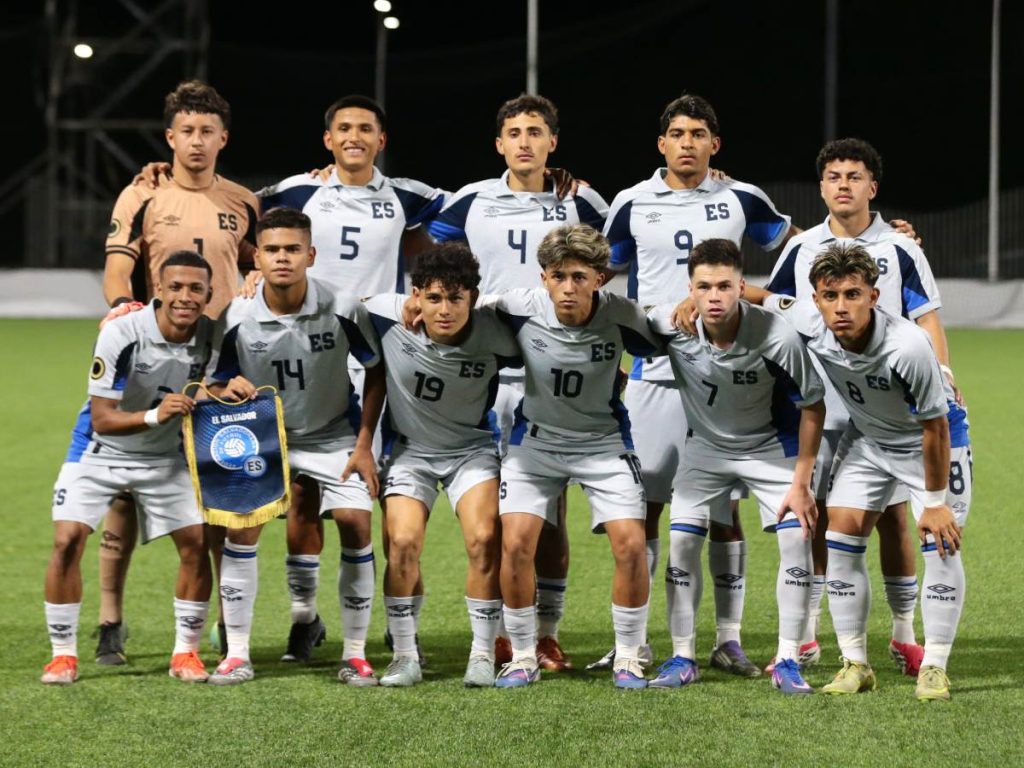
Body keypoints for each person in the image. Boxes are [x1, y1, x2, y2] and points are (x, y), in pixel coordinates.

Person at [597, 93, 794, 675]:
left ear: (715, 144)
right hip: (657, 372)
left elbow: (799, 245)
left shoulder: (741, 196)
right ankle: (637, 639)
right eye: (677, 133)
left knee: (725, 512)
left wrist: (865, 239)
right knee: (649, 507)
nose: (688, 142)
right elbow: (599, 269)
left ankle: (726, 639)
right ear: (662, 144)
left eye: (699, 133)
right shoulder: (631, 202)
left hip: (727, 371)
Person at [763, 138, 971, 676]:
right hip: (832, 404)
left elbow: (926, 317)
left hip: (897, 393)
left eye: (854, 176)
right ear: (822, 186)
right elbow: (774, 308)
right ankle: (809, 634)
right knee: (827, 520)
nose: (843, 185)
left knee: (900, 519)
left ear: (871, 187)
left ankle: (907, 636)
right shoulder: (802, 248)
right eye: (833, 176)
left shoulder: (901, 247)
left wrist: (942, 375)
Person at [427, 94, 609, 670]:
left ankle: (544, 634)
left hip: (549, 376)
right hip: (478, 375)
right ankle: (500, 633)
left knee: (548, 513)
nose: (525, 141)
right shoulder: (470, 201)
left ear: (553, 142)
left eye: (536, 131)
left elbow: (615, 257)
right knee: (489, 516)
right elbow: (425, 251)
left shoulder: (580, 200)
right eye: (514, 132)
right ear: (499, 143)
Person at [92, 80, 259, 665]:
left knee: (218, 492)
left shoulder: (244, 202)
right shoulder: (141, 194)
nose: (196, 142)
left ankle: (219, 622)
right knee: (122, 491)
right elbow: (118, 271)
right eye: (186, 131)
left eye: (207, 132)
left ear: (223, 139)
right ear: (170, 137)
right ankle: (110, 619)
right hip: (152, 355)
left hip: (221, 362)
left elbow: (256, 267)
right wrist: (125, 316)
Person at [204, 208, 384, 686]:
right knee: (241, 531)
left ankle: (355, 654)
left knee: (354, 522)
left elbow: (377, 372)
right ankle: (237, 654)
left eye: (291, 249)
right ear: (256, 258)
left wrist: (364, 444)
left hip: (333, 435)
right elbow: (213, 384)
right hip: (265, 435)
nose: (282, 258)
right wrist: (226, 389)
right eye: (272, 250)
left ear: (310, 254)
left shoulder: (344, 306)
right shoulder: (238, 316)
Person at [484, 223, 660, 689]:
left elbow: (666, 339)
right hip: (536, 443)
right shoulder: (516, 308)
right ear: (544, 277)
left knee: (630, 544)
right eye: (558, 275)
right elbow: (461, 314)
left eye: (579, 276)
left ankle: (627, 656)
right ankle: (523, 655)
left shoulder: (623, 315)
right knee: (516, 542)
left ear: (600, 278)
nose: (568, 287)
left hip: (603, 443)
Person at [647, 239, 824, 695]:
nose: (714, 297)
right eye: (704, 287)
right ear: (691, 289)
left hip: (769, 448)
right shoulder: (673, 324)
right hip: (705, 451)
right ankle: (682, 656)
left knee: (797, 542)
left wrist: (802, 482)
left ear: (741, 287)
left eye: (725, 286)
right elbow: (618, 323)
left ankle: (788, 658)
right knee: (682, 544)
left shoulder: (776, 335)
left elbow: (812, 404)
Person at [42, 251, 218, 685]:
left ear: (209, 294)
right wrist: (157, 414)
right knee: (67, 540)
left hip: (165, 458)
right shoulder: (122, 333)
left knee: (196, 544)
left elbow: (211, 385)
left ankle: (186, 654)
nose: (184, 297)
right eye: (175, 287)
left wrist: (224, 388)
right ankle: (63, 655)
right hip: (100, 451)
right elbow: (102, 417)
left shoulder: (214, 336)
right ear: (157, 289)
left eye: (195, 289)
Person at [363, 243, 521, 687]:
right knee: (403, 543)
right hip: (411, 453)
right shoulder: (386, 316)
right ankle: (405, 655)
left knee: (484, 538)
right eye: (433, 298)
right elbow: (338, 302)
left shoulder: (498, 334)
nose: (445, 309)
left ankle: (481, 654)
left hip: (471, 449)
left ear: (473, 296)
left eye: (456, 298)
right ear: (415, 296)